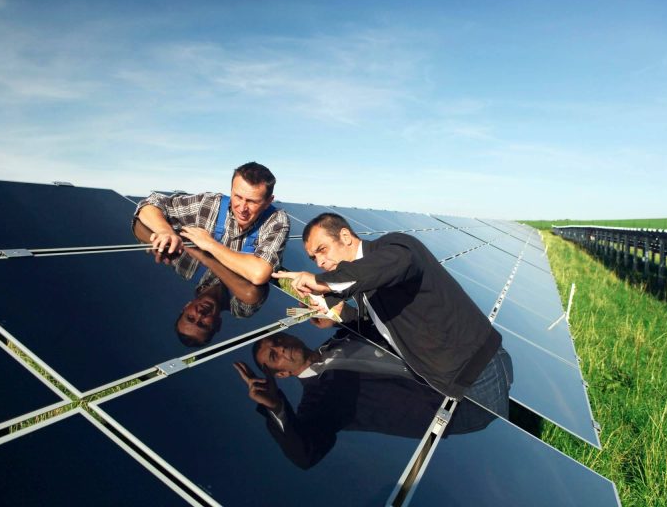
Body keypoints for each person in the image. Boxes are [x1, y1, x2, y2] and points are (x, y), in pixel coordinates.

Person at [272, 213, 512, 417]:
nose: (321, 262)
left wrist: (321, 282)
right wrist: (343, 314)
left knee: (502, 450)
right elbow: (382, 326)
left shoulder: (396, 248)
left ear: (345, 236)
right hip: (447, 378)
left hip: (478, 370)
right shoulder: (362, 286)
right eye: (314, 258)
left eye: (322, 250)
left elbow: (383, 269)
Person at [233, 332, 501, 469]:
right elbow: (305, 454)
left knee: (497, 354)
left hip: (449, 370)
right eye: (273, 356)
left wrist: (343, 312)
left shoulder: (339, 338)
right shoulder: (319, 401)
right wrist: (276, 407)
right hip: (451, 408)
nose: (280, 348)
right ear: (282, 374)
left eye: (278, 340)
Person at [133, 162, 289, 285]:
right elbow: (151, 202)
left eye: (252, 202)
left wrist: (209, 244)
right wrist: (164, 230)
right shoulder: (210, 204)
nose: (242, 208)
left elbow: (259, 274)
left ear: (268, 201)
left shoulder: (276, 221)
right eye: (237, 197)